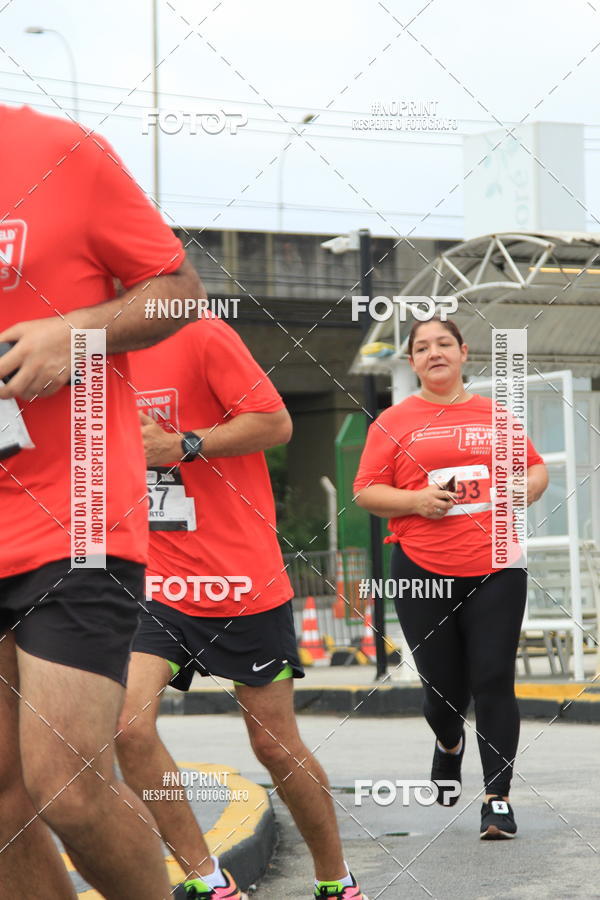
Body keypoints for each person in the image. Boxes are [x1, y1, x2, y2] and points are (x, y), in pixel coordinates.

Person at [0, 104, 205, 898]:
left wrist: (73, 333)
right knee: (3, 800)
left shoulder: (61, 150)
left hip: (72, 514)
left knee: (65, 785)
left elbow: (178, 291)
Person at [115, 316, 368, 900]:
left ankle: (336, 879)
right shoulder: (91, 353)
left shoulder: (201, 335)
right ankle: (209, 880)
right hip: (154, 579)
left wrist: (181, 445)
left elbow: (275, 423)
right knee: (128, 728)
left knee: (274, 744)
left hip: (240, 579)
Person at [353, 316, 548, 840]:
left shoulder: (495, 415)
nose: (434, 352)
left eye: (444, 344)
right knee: (442, 693)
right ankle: (448, 744)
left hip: (496, 565)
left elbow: (534, 469)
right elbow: (366, 490)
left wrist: (521, 491)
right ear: (412, 361)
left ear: (463, 353)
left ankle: (497, 799)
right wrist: (415, 501)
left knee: (492, 679)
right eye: (422, 347)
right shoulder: (392, 422)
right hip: (422, 569)